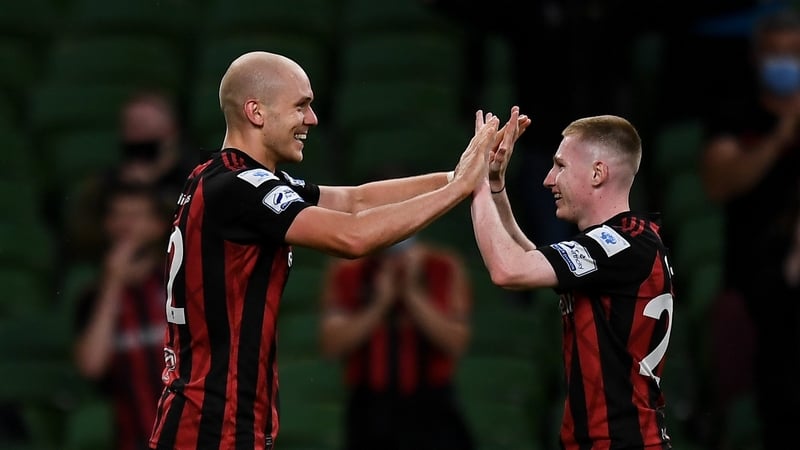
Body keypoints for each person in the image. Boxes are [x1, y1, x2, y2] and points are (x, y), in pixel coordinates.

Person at [147, 51, 500, 450]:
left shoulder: (226, 179)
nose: (312, 119)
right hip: (211, 428)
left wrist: (464, 174)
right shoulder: (240, 189)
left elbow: (356, 201)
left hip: (214, 422)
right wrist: (458, 191)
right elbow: (353, 236)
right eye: (301, 105)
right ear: (256, 112)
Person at [470, 107, 674, 449]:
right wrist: (493, 185)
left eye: (560, 165)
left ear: (597, 173)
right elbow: (529, 259)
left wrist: (472, 182)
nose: (549, 179)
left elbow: (508, 270)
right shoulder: (623, 242)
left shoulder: (620, 244)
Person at [700, 8, 800, 449]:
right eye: (775, 53)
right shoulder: (734, 113)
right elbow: (719, 181)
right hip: (755, 284)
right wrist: (781, 136)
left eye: (794, 53)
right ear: (757, 57)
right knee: (776, 400)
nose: (785, 63)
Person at [319, 232, 474, 450]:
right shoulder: (348, 270)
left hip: (432, 405)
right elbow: (331, 346)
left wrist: (413, 295)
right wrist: (380, 304)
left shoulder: (443, 266)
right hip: (370, 406)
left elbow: (457, 344)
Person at [73, 182, 171, 450]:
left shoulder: (182, 285)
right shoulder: (92, 298)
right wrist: (113, 282)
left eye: (136, 215)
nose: (125, 224)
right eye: (118, 215)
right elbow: (92, 366)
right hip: (134, 439)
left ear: (157, 225)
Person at [64, 89, 200, 263]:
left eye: (143, 126)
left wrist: (154, 188)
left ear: (171, 132)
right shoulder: (107, 182)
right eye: (130, 126)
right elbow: (82, 231)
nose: (136, 135)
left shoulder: (196, 176)